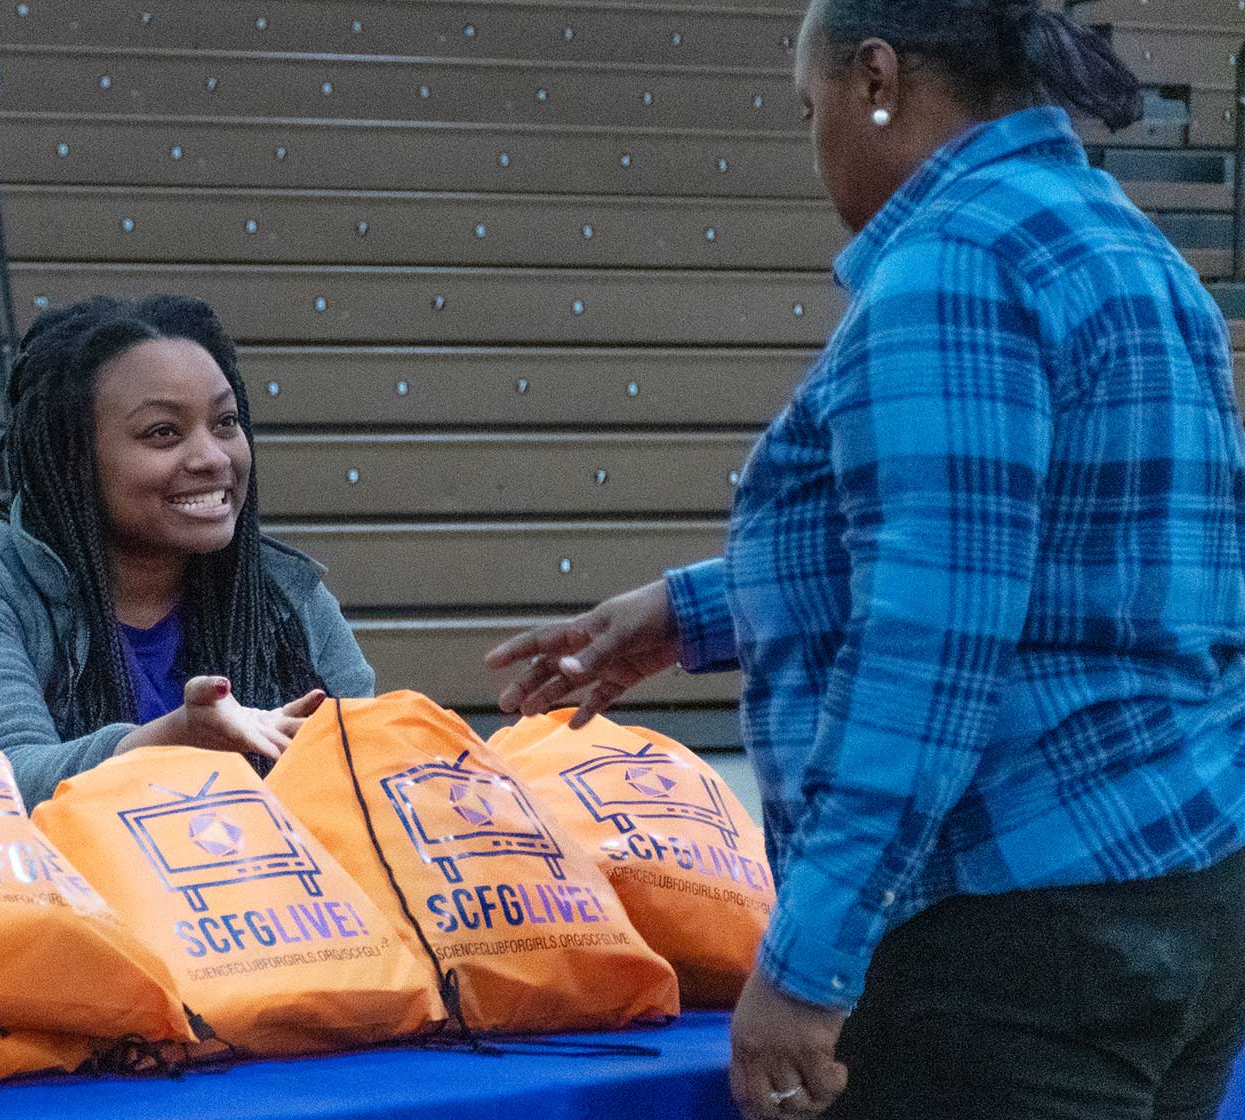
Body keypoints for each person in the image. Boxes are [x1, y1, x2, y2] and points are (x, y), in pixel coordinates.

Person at [489, 3, 1245, 1117]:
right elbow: (1058, 561)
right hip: (1185, 891)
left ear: (876, 78)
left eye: (810, 110)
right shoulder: (1121, 239)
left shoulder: (955, 268)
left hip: (1010, 939)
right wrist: (696, 609)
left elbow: (930, 656)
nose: (816, 147)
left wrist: (809, 963)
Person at [0, 294, 374, 807]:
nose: (211, 457)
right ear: (73, 458)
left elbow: (375, 780)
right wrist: (168, 742)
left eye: (225, 423)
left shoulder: (283, 598)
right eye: (163, 432)